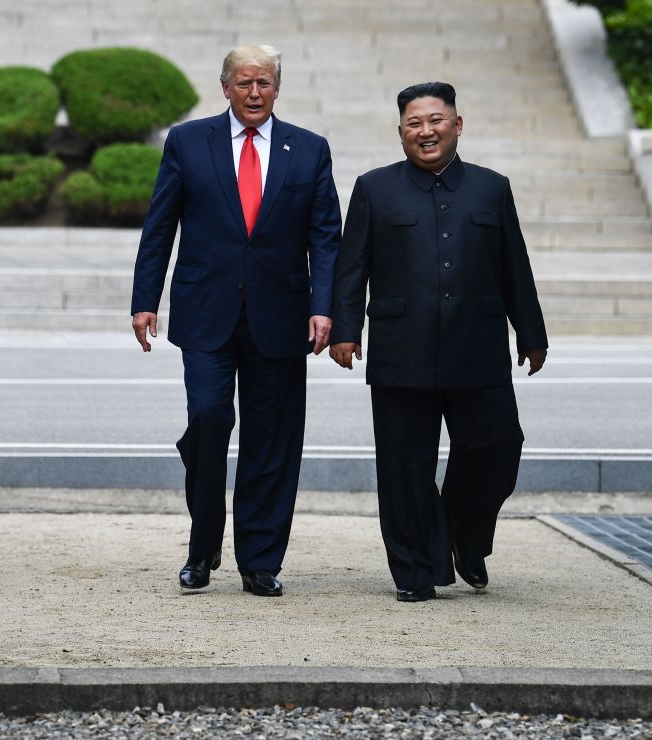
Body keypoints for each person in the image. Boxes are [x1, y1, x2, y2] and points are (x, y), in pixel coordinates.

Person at [131, 44, 341, 597]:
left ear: (277, 88)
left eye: (265, 83)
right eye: (244, 83)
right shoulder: (187, 141)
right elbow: (160, 226)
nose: (254, 94)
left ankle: (260, 560)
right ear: (224, 86)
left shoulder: (310, 150)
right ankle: (203, 548)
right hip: (206, 313)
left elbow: (326, 236)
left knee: (272, 440)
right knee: (207, 418)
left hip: (281, 313)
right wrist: (144, 297)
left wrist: (325, 306)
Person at [329, 82, 548, 602]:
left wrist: (532, 332)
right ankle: (415, 569)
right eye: (413, 123)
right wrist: (344, 329)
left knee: (498, 447)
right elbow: (351, 266)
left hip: (479, 348)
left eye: (435, 120)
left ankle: (465, 538)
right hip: (401, 350)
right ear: (401, 131)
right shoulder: (374, 188)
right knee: (404, 465)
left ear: (457, 124)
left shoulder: (492, 188)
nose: (425, 131)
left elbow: (514, 265)